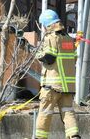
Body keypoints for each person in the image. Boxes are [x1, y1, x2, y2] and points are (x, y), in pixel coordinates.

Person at [34, 9, 80, 139]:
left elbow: (49, 58)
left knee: (45, 113)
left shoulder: (50, 38)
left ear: (48, 25)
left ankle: (40, 137)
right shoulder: (69, 40)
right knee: (68, 112)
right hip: (67, 87)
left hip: (52, 86)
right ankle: (74, 136)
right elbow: (74, 59)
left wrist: (37, 54)